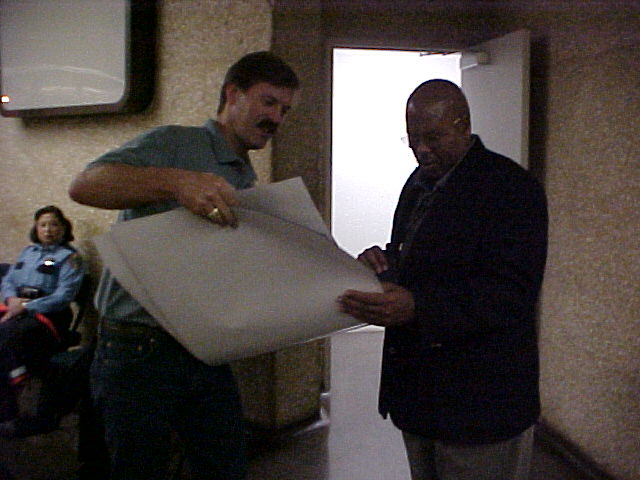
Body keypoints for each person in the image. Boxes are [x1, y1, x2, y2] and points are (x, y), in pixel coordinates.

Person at [68, 51, 299, 480]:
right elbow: (84, 185)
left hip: (203, 347)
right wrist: (176, 182)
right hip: (138, 349)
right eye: (268, 102)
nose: (276, 118)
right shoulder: (175, 143)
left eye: (284, 110)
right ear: (233, 94)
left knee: (225, 467)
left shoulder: (243, 176)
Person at [337, 79, 548, 480]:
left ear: (464, 125)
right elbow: (416, 257)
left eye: (433, 137)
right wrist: (383, 264)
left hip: (481, 406)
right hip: (419, 399)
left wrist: (416, 306)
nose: (421, 149)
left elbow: (510, 293)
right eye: (413, 139)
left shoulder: (511, 188)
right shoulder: (417, 185)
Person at [0, 205, 85, 428]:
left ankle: (9, 407)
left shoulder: (70, 258)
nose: (48, 230)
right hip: (17, 310)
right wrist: (11, 300)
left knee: (5, 336)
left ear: (64, 228)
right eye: (43, 225)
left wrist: (27, 306)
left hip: (48, 315)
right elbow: (8, 281)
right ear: (36, 229)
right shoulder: (28, 253)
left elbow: (63, 296)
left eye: (54, 224)